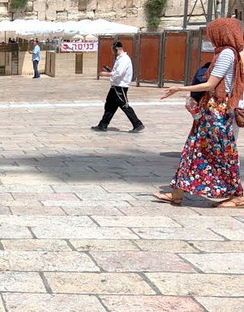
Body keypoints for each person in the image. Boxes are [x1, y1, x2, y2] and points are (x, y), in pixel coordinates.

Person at [154, 18, 244, 207]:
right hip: (211, 109)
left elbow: (211, 84)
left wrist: (179, 89)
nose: (209, 37)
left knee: (222, 154)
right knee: (192, 149)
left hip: (217, 111)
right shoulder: (224, 53)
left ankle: (238, 195)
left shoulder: (227, 53)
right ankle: (177, 193)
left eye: (212, 33)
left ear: (222, 33)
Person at [91, 41, 145, 133]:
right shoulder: (119, 58)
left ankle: (137, 124)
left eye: (113, 50)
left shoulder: (124, 59)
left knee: (124, 106)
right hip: (115, 85)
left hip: (120, 86)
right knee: (109, 106)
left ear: (116, 49)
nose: (112, 52)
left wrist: (106, 73)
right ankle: (103, 125)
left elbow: (119, 73)